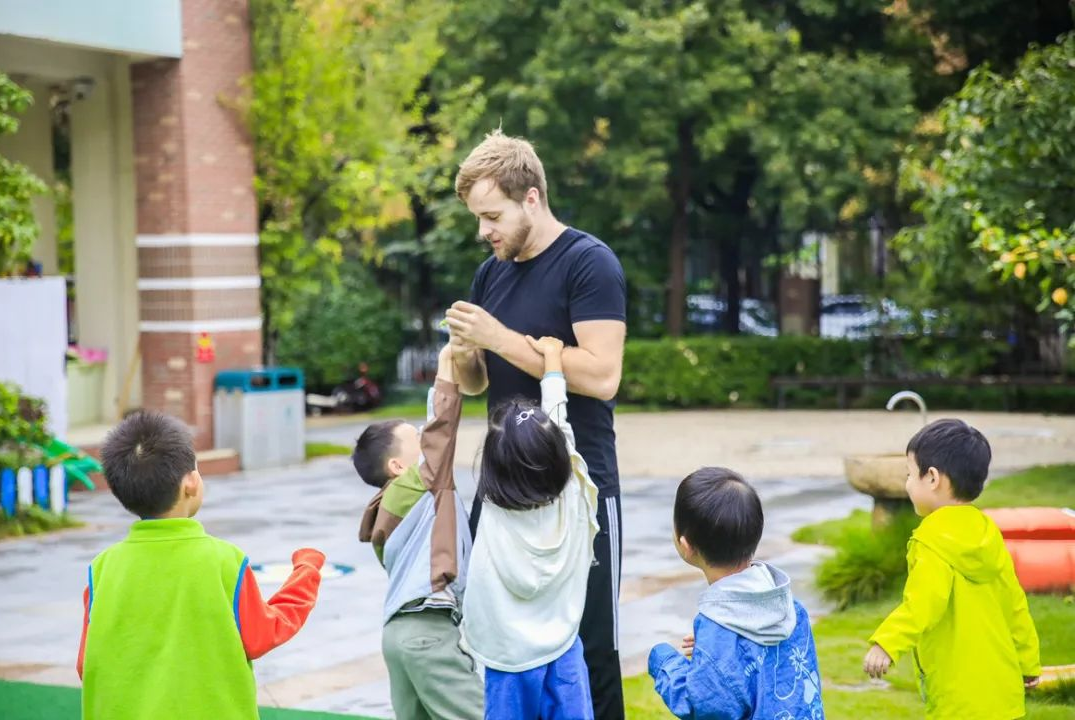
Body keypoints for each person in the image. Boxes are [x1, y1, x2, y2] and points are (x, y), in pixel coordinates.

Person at [446, 129, 627, 718]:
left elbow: (602, 376)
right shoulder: (489, 273)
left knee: (592, 644)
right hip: (503, 488)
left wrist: (500, 337)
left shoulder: (589, 263)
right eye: (477, 218)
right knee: (502, 646)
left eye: (491, 215)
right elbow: (478, 384)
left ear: (531, 198)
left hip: (580, 485)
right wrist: (468, 353)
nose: (483, 231)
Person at [77, 411, 325, 720]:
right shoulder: (225, 560)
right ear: (191, 483)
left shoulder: (101, 569)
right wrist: (307, 570)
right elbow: (263, 634)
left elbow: (86, 664)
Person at [461, 335, 601, 719]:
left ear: (493, 468)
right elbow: (559, 419)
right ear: (557, 458)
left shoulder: (495, 509)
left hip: (507, 660)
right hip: (564, 650)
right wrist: (553, 360)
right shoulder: (573, 491)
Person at [863, 419, 1041, 719]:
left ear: (932, 478)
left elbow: (922, 604)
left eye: (909, 474)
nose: (907, 483)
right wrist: (1028, 662)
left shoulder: (931, 540)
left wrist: (887, 643)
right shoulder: (987, 532)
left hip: (959, 696)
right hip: (1003, 689)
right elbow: (1015, 604)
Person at [355, 345, 483, 720]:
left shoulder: (389, 510)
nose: (424, 440)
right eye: (415, 438)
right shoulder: (418, 485)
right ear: (397, 465)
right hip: (428, 634)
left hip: (397, 634)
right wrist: (446, 366)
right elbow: (441, 431)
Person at [648, 467, 825, 719]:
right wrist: (720, 651)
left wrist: (664, 661)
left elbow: (704, 707)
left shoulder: (718, 628)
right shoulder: (790, 608)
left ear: (685, 545)